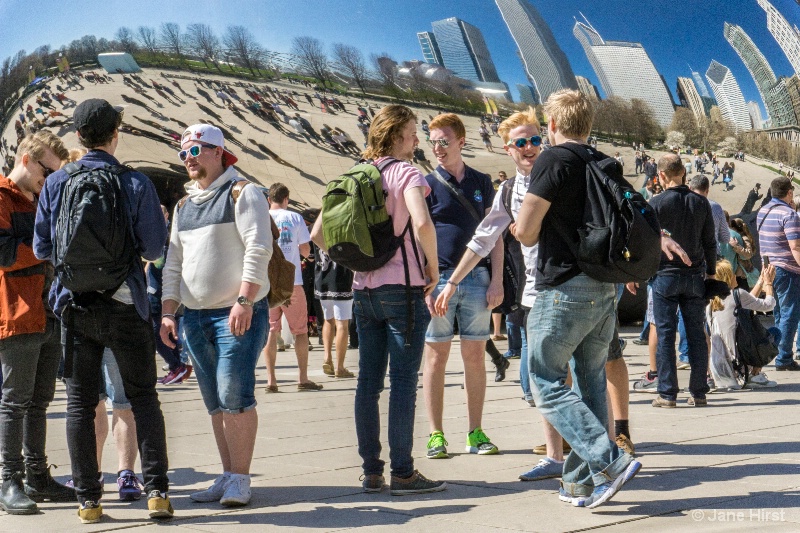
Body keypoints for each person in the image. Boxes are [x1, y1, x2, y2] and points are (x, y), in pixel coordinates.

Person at [33, 98, 172, 523]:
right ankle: (156, 493)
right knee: (143, 397)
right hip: (126, 303)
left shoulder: (57, 182)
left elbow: (41, 247)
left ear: (77, 135)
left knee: (79, 404)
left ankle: (89, 501)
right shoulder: (134, 182)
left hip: (75, 307)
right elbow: (153, 247)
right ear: (116, 134)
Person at [513, 89, 641, 508]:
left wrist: (519, 229)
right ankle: (578, 485)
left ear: (551, 125)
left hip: (564, 287)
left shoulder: (554, 158)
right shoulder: (603, 162)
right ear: (588, 126)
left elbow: (528, 230)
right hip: (605, 288)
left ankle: (609, 461)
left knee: (546, 380)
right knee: (590, 385)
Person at [310, 104, 445, 495]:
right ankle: (403, 472)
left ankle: (372, 471)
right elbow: (422, 223)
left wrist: (360, 259)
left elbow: (319, 233)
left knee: (367, 384)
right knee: (403, 382)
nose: (417, 139)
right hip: (402, 288)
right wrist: (432, 270)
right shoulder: (407, 172)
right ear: (397, 136)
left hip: (363, 291)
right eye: (412, 132)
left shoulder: (355, 173)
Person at [161, 124, 272, 507]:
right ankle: (227, 475)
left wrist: (244, 299)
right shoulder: (183, 205)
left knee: (234, 393)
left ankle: (241, 478)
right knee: (214, 400)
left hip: (235, 313)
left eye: (194, 151)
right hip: (194, 317)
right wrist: (168, 311)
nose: (188, 160)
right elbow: (173, 261)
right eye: (183, 154)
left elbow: (259, 247)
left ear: (217, 151)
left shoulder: (243, 192)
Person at [0, 131, 74, 515]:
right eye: (47, 170)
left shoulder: (42, 199)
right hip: (17, 312)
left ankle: (36, 475)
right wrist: (47, 248)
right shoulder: (1, 196)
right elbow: (3, 253)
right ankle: (8, 479)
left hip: (48, 312)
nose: (50, 179)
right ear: (26, 159)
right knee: (15, 402)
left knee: (40, 401)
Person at [422, 113, 503, 459]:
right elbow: (418, 234)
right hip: (439, 279)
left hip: (478, 279)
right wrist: (426, 283)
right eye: (433, 141)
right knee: (436, 355)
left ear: (461, 142)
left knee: (474, 356)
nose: (437, 148)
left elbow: (495, 233)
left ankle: (475, 431)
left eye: (444, 141)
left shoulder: (482, 182)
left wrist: (497, 278)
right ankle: (435, 433)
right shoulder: (425, 183)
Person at [648, 157, 717, 408]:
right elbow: (710, 242)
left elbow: (648, 242)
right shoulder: (701, 203)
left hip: (665, 275)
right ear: (684, 174)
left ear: (663, 175)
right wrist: (710, 273)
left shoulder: (655, 203)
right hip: (694, 275)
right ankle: (698, 391)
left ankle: (667, 393)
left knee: (666, 334)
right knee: (696, 334)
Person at [264, 183, 322, 392]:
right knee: (300, 331)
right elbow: (305, 248)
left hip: (268, 282)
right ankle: (302, 379)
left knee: (271, 329)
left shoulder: (263, 217)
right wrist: (306, 255)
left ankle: (271, 381)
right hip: (292, 281)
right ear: (286, 199)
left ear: (269, 199)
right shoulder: (295, 218)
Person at [708, 260, 778, 390]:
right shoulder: (737, 294)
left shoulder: (710, 300)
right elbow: (768, 305)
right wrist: (769, 284)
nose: (736, 276)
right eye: (733, 273)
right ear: (728, 278)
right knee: (774, 333)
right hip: (742, 357)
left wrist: (761, 281)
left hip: (721, 361)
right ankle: (754, 374)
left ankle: (750, 373)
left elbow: (747, 301)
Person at [757, 176, 800, 371]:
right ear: (789, 192)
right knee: (790, 313)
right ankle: (784, 358)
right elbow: (796, 247)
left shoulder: (763, 211)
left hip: (768, 269)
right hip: (787, 269)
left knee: (779, 313)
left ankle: (777, 353)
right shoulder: (789, 214)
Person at [314, 247, 355, 378]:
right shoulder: (343, 226)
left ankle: (327, 357)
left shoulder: (315, 228)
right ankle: (340, 367)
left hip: (322, 278)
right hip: (342, 278)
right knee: (342, 323)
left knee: (328, 319)